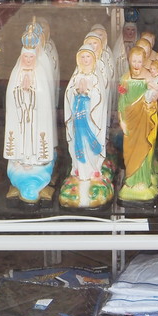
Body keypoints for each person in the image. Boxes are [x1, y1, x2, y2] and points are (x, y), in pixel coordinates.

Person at [4, 28, 56, 202]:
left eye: (30, 57)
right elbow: (11, 96)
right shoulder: (16, 73)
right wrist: (20, 90)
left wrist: (32, 89)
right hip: (20, 117)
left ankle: (35, 161)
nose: (27, 60)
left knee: (34, 139)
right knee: (21, 139)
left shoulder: (39, 73)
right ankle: (20, 160)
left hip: (35, 118)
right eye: (25, 57)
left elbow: (43, 97)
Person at [62, 45, 110, 207]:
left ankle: (92, 169)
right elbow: (68, 95)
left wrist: (88, 92)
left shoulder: (96, 77)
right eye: (82, 57)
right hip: (78, 120)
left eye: (88, 57)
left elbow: (100, 97)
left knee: (90, 145)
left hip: (91, 121)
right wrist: (76, 91)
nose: (85, 60)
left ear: (93, 59)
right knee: (79, 143)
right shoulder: (76, 76)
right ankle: (79, 170)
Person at [117, 46, 158, 201]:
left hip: (143, 119)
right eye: (134, 61)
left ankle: (142, 180)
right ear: (129, 61)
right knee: (129, 150)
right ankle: (131, 180)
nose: (136, 64)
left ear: (144, 61)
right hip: (130, 120)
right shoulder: (125, 78)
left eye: (139, 61)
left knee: (143, 147)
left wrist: (153, 96)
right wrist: (121, 120)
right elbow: (121, 101)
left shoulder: (148, 77)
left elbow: (154, 98)